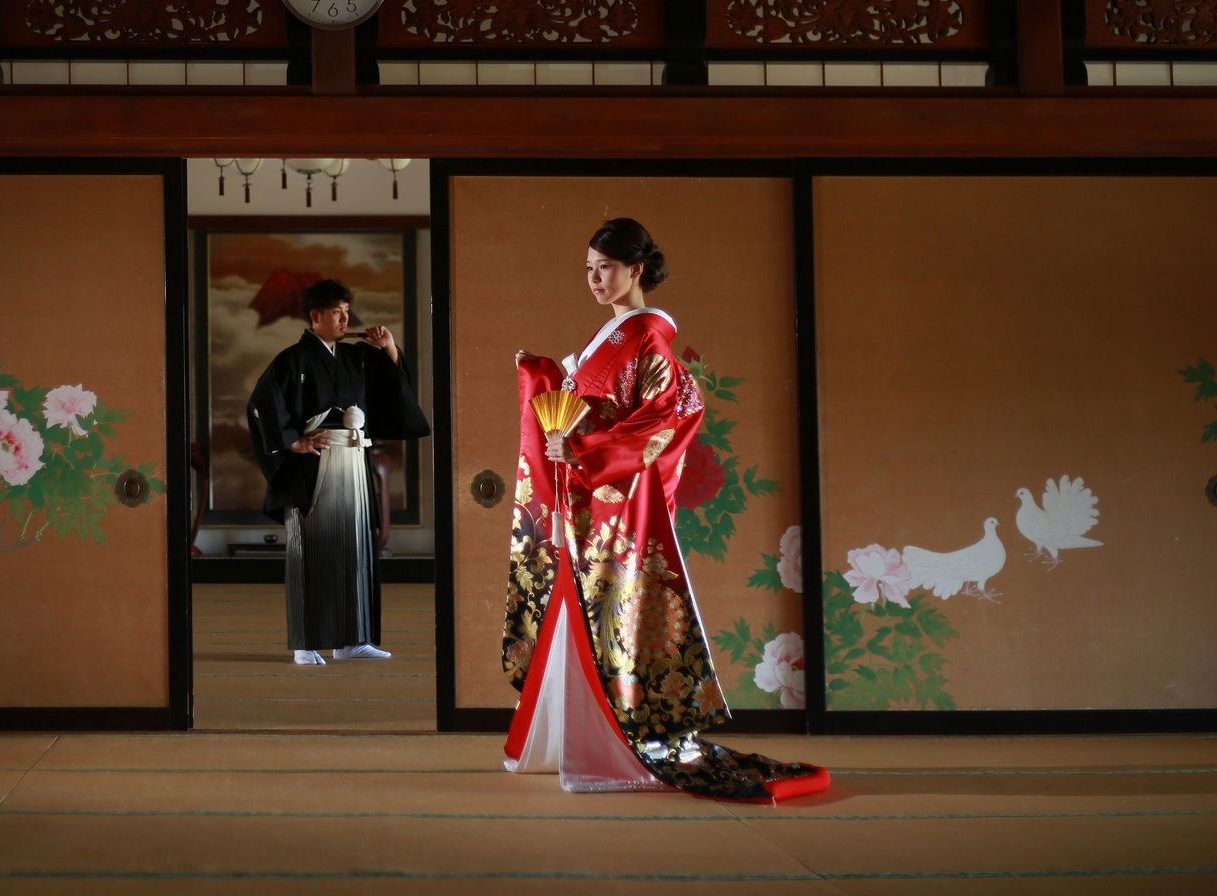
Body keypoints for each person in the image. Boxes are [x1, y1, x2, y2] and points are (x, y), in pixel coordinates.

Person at [504, 217, 828, 802]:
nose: (595, 279)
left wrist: (584, 449)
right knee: (583, 613)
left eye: (606, 267)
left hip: (621, 504)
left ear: (636, 269)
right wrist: (542, 374)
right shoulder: (614, 336)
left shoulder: (647, 337)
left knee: (615, 616)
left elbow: (663, 419)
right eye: (589, 269)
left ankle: (614, 748)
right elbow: (583, 405)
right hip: (594, 502)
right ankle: (582, 742)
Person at [247, 279, 430, 666]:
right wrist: (293, 442)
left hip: (352, 459)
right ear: (315, 316)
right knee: (314, 553)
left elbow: (391, 390)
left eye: (347, 311)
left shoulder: (355, 357)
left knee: (356, 549)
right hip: (314, 465)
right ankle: (306, 643)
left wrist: (388, 348)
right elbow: (262, 404)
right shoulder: (292, 360)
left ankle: (353, 639)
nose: (346, 319)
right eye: (336, 312)